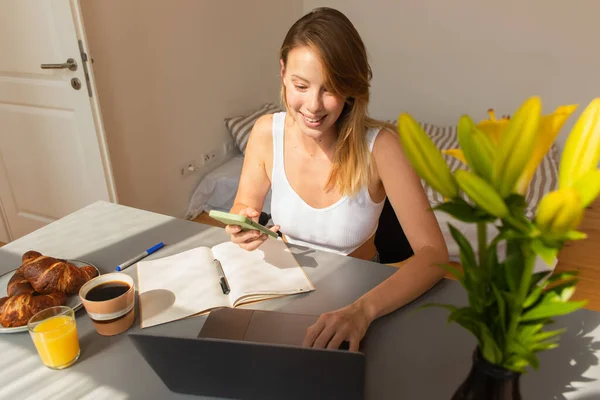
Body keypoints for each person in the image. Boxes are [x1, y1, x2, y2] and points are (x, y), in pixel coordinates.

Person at [226, 7, 449, 351]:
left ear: (350, 89)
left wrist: (362, 311)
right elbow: (245, 206)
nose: (313, 106)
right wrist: (244, 224)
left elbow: (434, 254)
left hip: (359, 300)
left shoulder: (383, 148)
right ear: (283, 72)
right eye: (301, 85)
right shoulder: (264, 133)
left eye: (329, 89)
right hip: (285, 291)